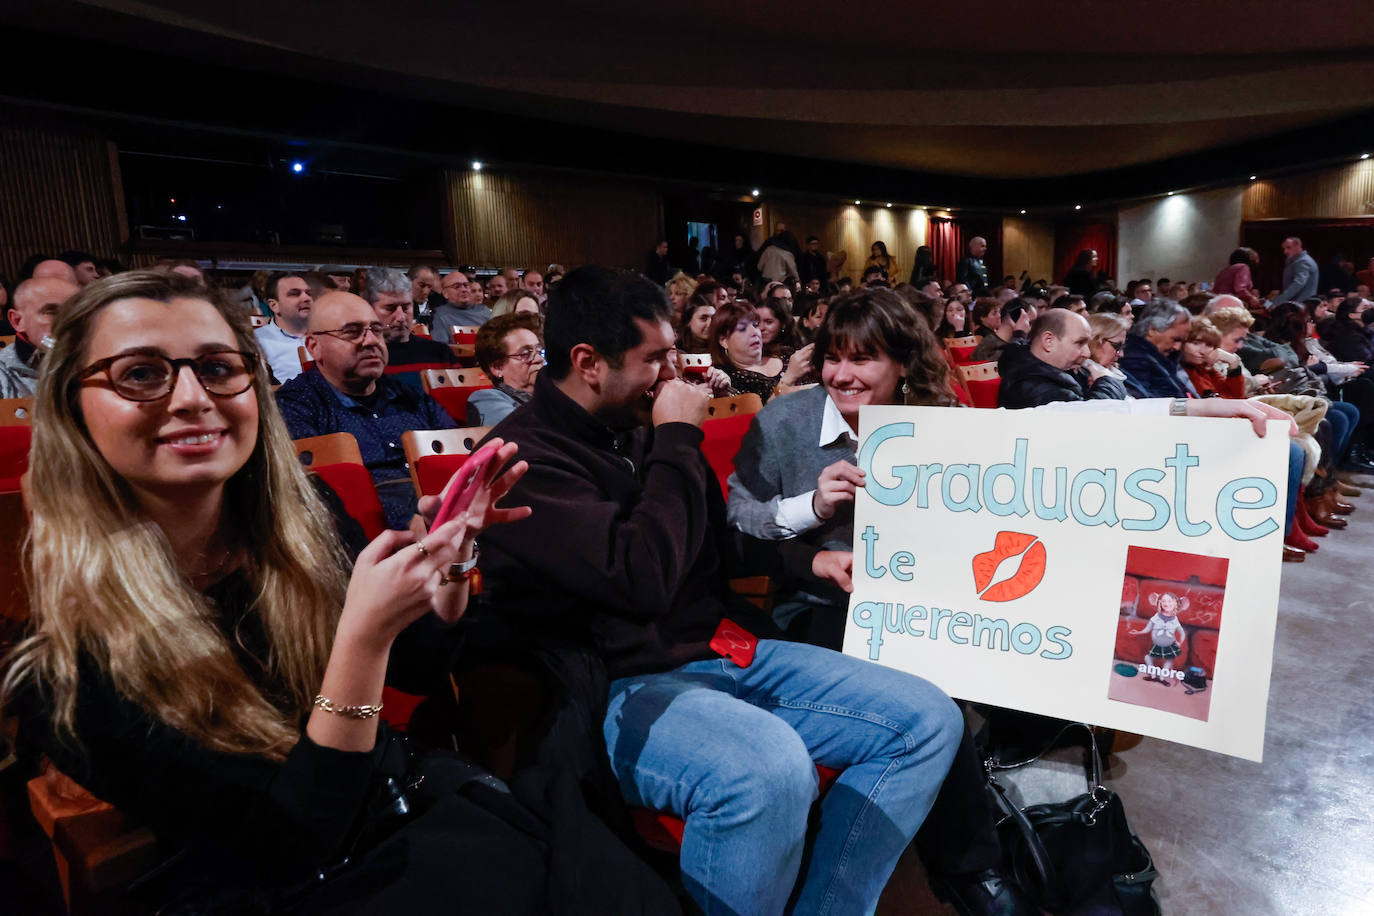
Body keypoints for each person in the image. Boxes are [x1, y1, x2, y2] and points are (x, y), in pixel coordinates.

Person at [0, 269, 580, 913]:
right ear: (71, 408)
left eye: (219, 368)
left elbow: (421, 663)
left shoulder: (307, 515)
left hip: (406, 805)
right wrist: (361, 640)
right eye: (140, 373)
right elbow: (293, 842)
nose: (193, 397)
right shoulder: (58, 667)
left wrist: (449, 556)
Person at [475, 265, 967, 916]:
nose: (671, 374)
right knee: (768, 772)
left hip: (716, 648)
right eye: (655, 358)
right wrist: (680, 435)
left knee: (928, 720)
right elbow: (642, 577)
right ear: (589, 362)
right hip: (614, 685)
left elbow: (715, 542)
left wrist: (810, 563)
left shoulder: (634, 422)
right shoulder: (523, 457)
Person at [276, 291, 456, 529]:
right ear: (314, 346)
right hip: (365, 545)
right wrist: (406, 523)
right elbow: (314, 500)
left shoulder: (410, 396)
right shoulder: (296, 405)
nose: (371, 341)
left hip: (447, 522)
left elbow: (458, 463)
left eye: (376, 330)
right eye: (352, 332)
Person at [997, 309, 1126, 407]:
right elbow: (1087, 420)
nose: (1087, 353)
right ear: (1049, 341)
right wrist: (1107, 382)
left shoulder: (1031, 369)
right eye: (1079, 343)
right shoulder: (1035, 388)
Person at [709, 298, 812, 402]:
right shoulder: (727, 380)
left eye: (755, 325)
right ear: (723, 340)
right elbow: (760, 416)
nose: (755, 332)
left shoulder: (786, 353)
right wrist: (789, 378)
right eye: (742, 328)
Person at [365, 267, 459, 367]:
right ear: (369, 309)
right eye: (390, 308)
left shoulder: (441, 353)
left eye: (406, 308)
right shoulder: (365, 360)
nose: (401, 318)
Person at [0, 276, 77, 397]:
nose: (67, 321)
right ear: (18, 321)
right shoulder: (3, 376)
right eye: (52, 312)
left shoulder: (94, 363)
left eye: (75, 312)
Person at [466, 313, 545, 427]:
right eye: (525, 354)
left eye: (539, 351)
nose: (539, 359)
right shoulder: (487, 399)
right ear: (497, 367)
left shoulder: (553, 393)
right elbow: (525, 433)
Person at [1118, 300, 1194, 398]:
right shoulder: (1134, 358)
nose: (1177, 347)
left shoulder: (1163, 357)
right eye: (1175, 339)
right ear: (1152, 330)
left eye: (1182, 341)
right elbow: (1143, 402)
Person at [253, 272, 313, 383]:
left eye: (309, 293)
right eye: (295, 294)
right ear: (274, 306)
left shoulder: (327, 334)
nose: (306, 298)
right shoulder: (257, 341)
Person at [432, 269, 492, 342]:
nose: (464, 289)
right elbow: (440, 348)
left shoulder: (484, 311)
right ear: (445, 293)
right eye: (457, 286)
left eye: (466, 285)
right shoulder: (439, 315)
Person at [970, 297, 1031, 362]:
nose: (999, 316)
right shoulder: (985, 338)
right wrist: (1019, 335)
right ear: (982, 317)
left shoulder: (997, 338)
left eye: (999, 312)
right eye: (994, 313)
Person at [757, 281, 798, 360]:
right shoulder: (747, 353)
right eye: (757, 322)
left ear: (783, 324)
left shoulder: (794, 356)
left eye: (768, 322)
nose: (761, 328)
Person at [1276, 237, 1319, 305]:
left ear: (1298, 246)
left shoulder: (1303, 261)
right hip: (1294, 303)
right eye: (1284, 249)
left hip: (1301, 306)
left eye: (1289, 247)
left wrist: (1278, 301)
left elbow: (1298, 284)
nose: (1285, 251)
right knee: (1266, 305)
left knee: (1268, 307)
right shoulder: (1294, 261)